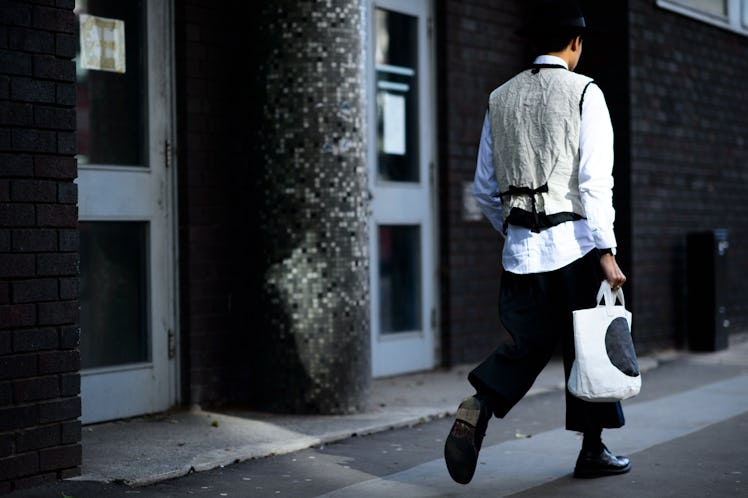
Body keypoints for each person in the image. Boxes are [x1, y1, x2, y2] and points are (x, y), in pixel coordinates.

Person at [443, 0, 631, 485]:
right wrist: (606, 252)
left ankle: (480, 405)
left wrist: (513, 230)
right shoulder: (585, 92)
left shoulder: (499, 98)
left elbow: (484, 188)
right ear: (575, 43)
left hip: (520, 251)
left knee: (526, 345)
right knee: (586, 348)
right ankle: (592, 450)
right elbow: (594, 184)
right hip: (574, 245)